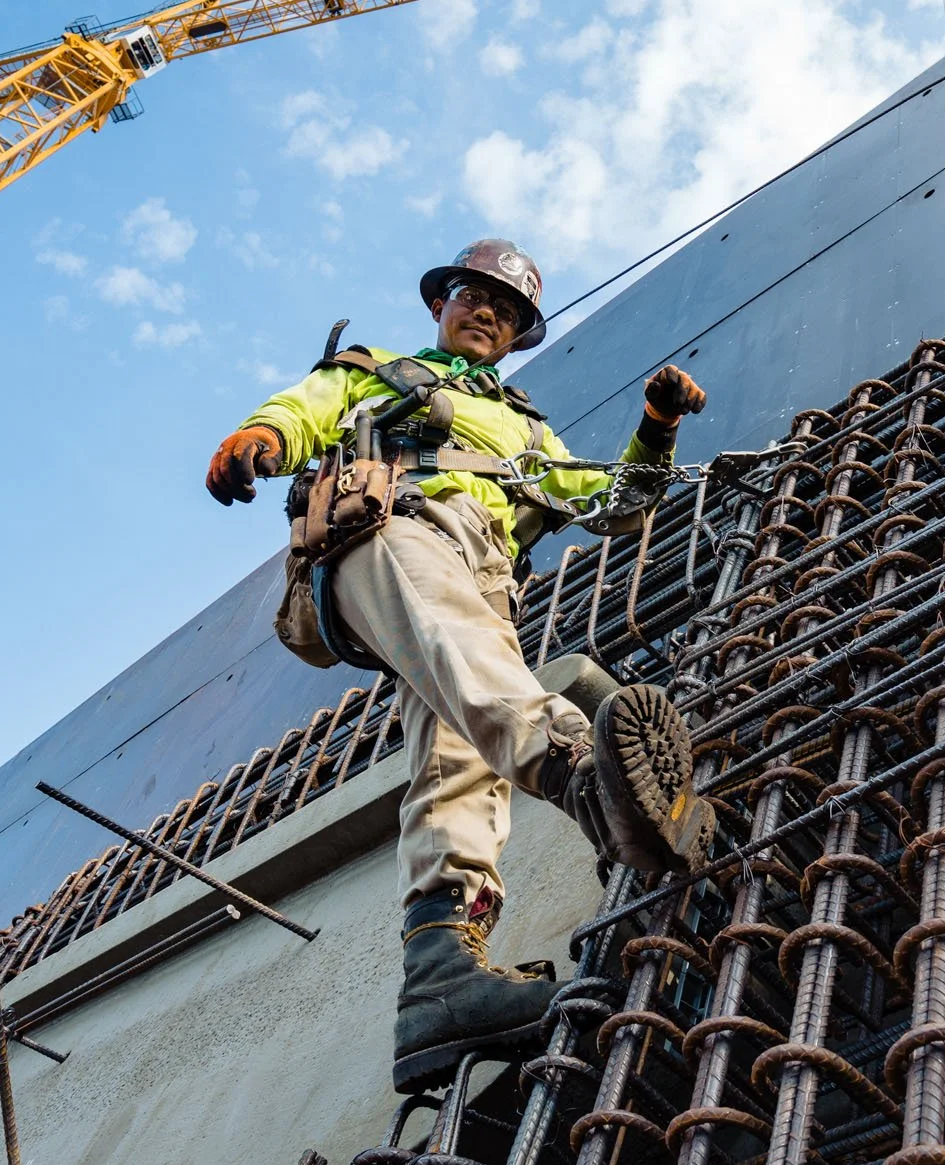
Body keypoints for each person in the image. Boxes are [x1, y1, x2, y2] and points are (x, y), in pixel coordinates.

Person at [205, 239, 710, 1085]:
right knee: (465, 654)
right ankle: (582, 770)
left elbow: (615, 504)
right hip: (387, 532)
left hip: (481, 585)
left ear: (516, 336)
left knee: (463, 755)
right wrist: (261, 434)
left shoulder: (528, 430)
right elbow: (303, 407)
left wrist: (655, 429)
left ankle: (439, 978)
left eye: (507, 311)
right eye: (475, 296)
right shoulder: (381, 374)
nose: (489, 313)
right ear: (442, 303)